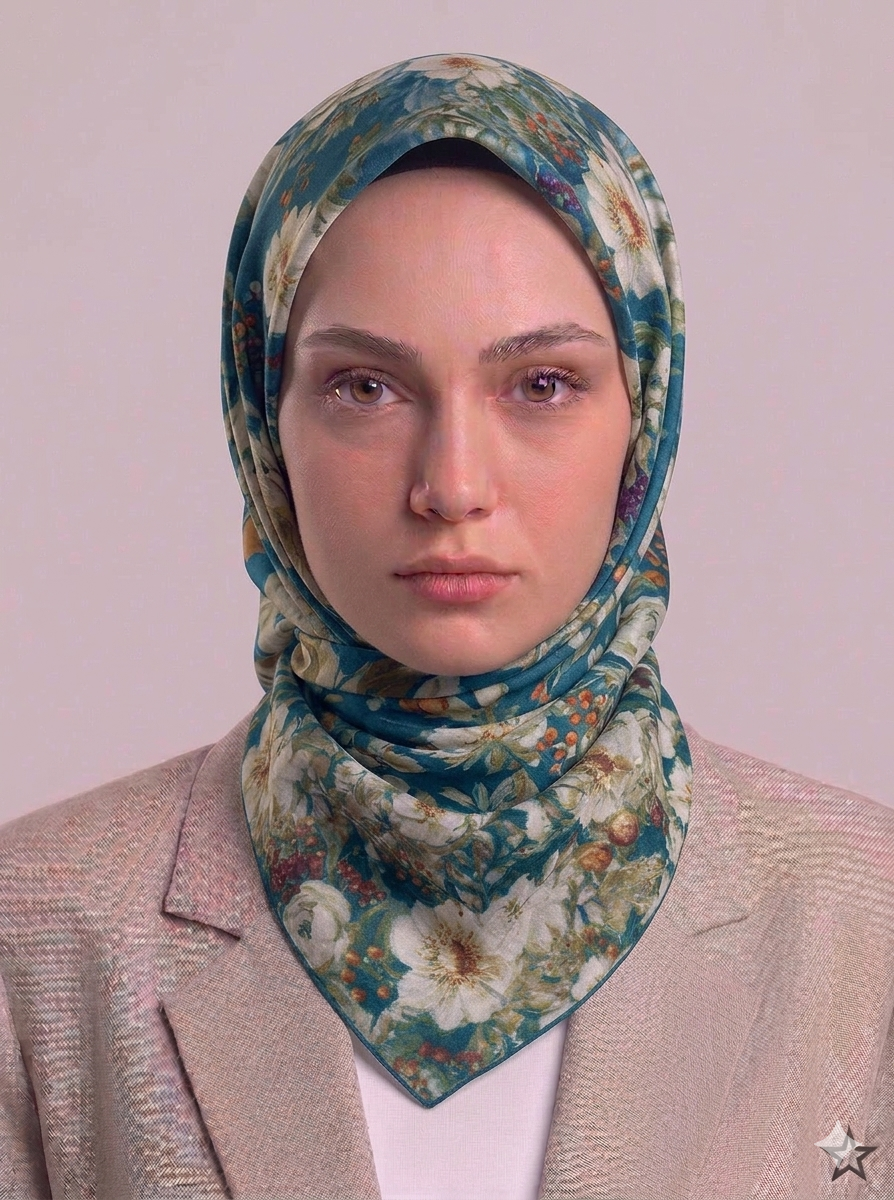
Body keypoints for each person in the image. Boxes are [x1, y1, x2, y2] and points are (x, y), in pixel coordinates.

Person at [1, 52, 892, 1200]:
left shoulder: (865, 927)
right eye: (365, 388)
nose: (453, 485)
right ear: (264, 423)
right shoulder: (37, 932)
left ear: (645, 414)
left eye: (542, 385)